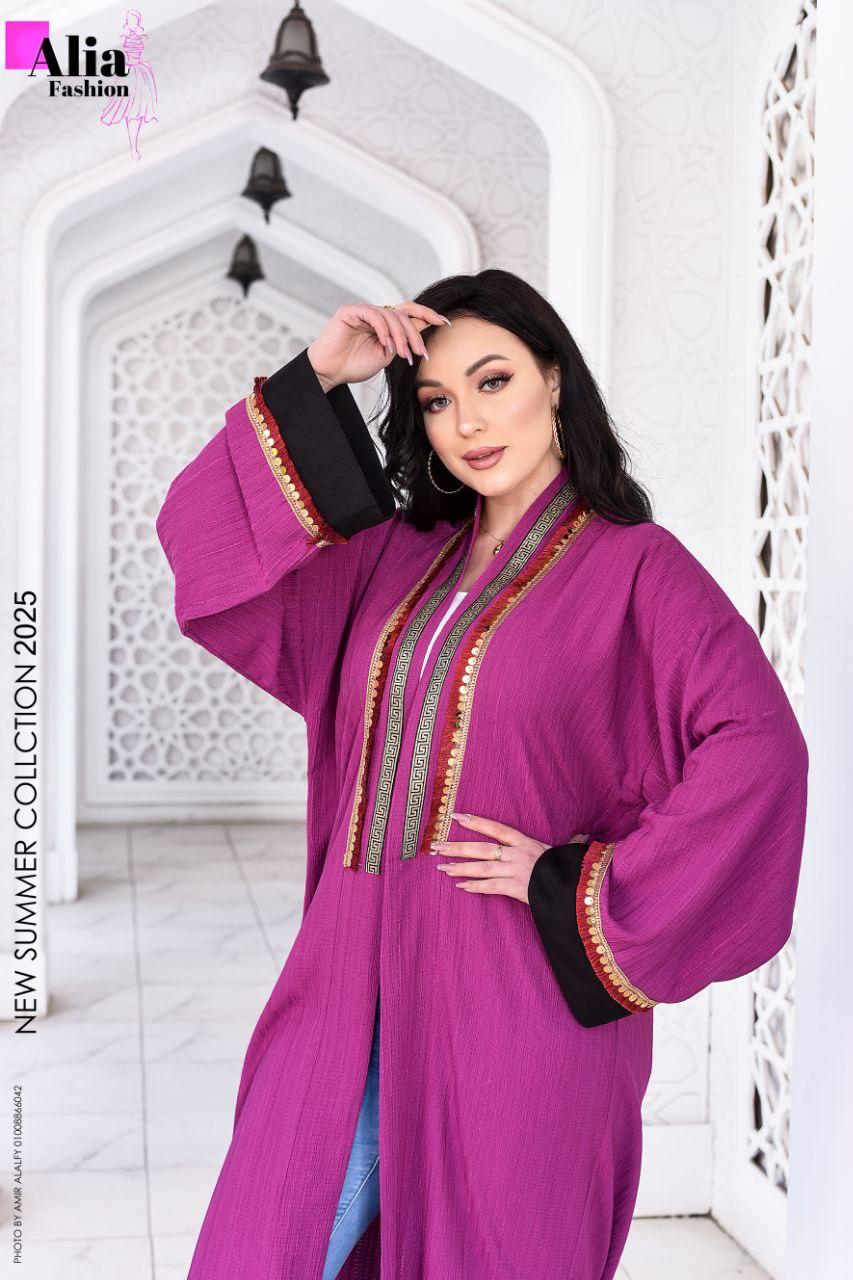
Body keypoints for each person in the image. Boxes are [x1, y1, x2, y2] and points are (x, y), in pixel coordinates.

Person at [155, 269, 808, 1279]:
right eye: (435, 399)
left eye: (492, 380)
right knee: (265, 1237)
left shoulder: (637, 569)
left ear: (554, 379)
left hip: (508, 994)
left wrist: (578, 880)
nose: (466, 421)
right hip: (348, 972)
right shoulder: (396, 556)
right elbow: (215, 551)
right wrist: (320, 373)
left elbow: (759, 747)